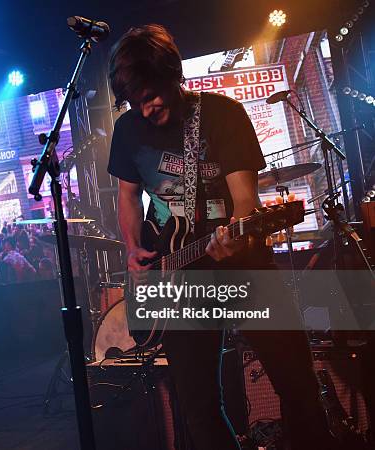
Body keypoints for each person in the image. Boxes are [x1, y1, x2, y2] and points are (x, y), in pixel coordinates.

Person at [107, 25, 341, 450]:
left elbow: (245, 203)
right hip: (175, 281)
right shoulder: (127, 131)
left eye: (151, 95)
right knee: (198, 408)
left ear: (173, 75)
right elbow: (127, 194)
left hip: (243, 267)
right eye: (134, 101)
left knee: (297, 386)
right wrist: (134, 251)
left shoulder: (221, 115)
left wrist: (238, 233)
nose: (144, 109)